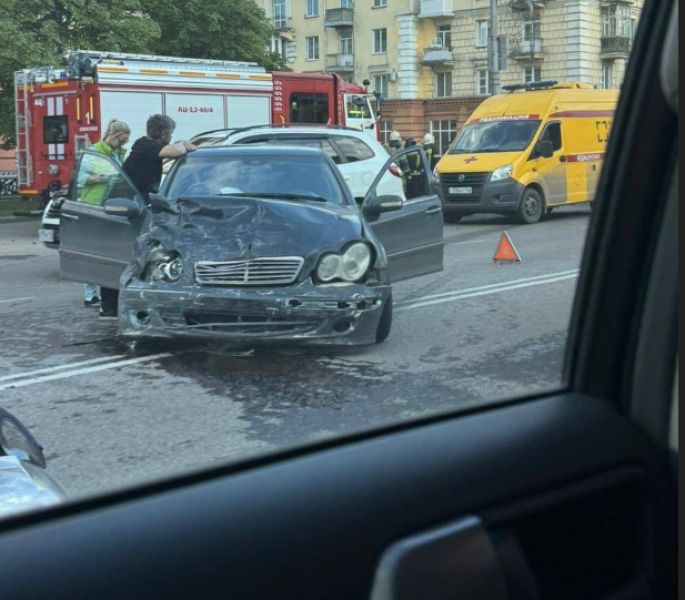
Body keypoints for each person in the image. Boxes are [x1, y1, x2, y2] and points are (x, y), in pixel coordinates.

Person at [78, 119, 131, 314]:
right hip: (93, 205)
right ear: (113, 136)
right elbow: (81, 178)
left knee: (105, 251)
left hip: (110, 206)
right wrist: (103, 178)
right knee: (94, 251)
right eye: (122, 141)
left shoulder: (116, 153)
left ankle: (99, 292)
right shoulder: (94, 153)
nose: (123, 145)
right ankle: (89, 294)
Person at [123, 114, 196, 202]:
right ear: (164, 134)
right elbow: (179, 151)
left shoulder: (144, 144)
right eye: (171, 133)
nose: (171, 136)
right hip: (132, 201)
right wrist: (183, 143)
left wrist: (181, 143)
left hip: (139, 199)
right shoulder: (148, 147)